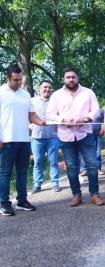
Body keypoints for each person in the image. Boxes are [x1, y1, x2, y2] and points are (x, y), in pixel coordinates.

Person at [47, 67, 105, 207]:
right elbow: (50, 114)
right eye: (68, 77)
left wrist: (86, 119)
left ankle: (94, 194)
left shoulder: (88, 92)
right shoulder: (56, 95)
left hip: (85, 134)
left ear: (77, 78)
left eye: (73, 77)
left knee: (91, 165)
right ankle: (76, 195)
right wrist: (63, 120)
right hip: (66, 136)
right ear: (63, 79)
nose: (71, 79)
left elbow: (97, 110)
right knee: (72, 167)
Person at [0, 65, 46, 216]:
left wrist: (43, 122)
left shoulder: (25, 95)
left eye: (20, 79)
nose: (18, 82)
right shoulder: (1, 93)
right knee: (5, 173)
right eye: (15, 80)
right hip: (6, 140)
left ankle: (21, 200)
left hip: (24, 140)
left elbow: (31, 116)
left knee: (22, 172)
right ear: (7, 78)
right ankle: (4, 203)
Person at [31, 80, 61, 193]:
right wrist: (29, 125)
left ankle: (55, 183)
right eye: (45, 87)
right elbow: (27, 115)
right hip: (36, 137)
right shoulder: (32, 101)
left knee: (53, 161)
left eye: (49, 87)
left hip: (52, 137)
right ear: (39, 88)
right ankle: (37, 184)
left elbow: (60, 116)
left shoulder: (55, 102)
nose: (47, 89)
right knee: (38, 162)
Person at [80, 107, 105, 177]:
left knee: (98, 152)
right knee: (85, 152)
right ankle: (85, 169)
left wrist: (103, 129)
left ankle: (98, 168)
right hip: (86, 134)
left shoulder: (100, 110)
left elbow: (104, 121)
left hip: (98, 134)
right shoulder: (84, 109)